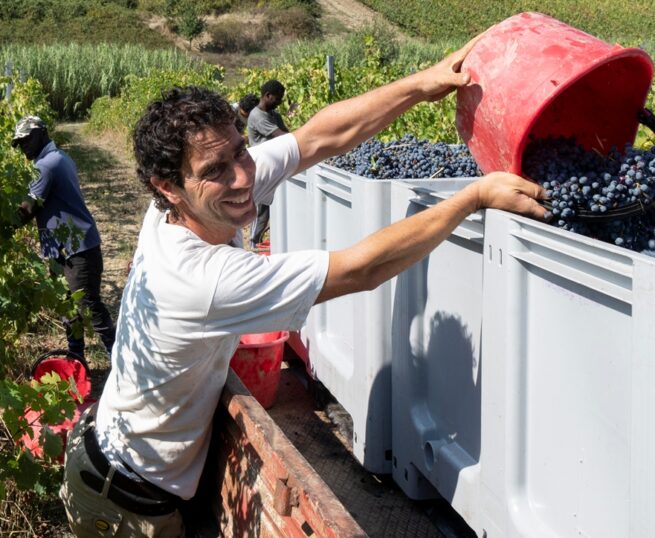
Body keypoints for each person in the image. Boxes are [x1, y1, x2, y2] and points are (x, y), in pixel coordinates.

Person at [59, 33, 546, 537]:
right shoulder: (200, 279)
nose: (243, 177)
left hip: (108, 452)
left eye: (241, 152)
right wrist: (472, 199)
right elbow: (360, 269)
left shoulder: (176, 210)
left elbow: (316, 139)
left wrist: (421, 84)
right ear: (168, 187)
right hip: (127, 504)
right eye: (216, 171)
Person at [12, 116, 116, 360]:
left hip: (76, 250)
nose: (24, 146)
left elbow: (27, 210)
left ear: (42, 133)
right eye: (19, 143)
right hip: (64, 249)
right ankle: (76, 359)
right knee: (68, 308)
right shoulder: (59, 157)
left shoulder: (46, 165)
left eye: (27, 139)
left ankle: (121, 361)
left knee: (88, 307)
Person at [247, 79, 293, 248]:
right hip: (261, 166)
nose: (280, 101)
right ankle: (253, 242)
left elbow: (287, 135)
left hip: (276, 165)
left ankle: (260, 241)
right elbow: (282, 135)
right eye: (278, 98)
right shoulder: (257, 115)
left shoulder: (275, 115)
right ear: (267, 96)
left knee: (269, 206)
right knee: (261, 208)